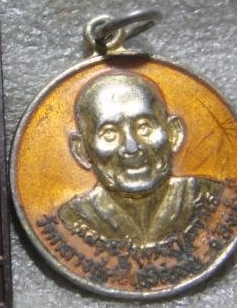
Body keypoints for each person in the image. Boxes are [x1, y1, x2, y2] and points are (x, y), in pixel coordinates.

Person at [58, 72, 223, 246]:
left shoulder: (207, 196)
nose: (132, 147)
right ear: (82, 150)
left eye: (144, 127)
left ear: (173, 134)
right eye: (109, 133)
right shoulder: (75, 217)